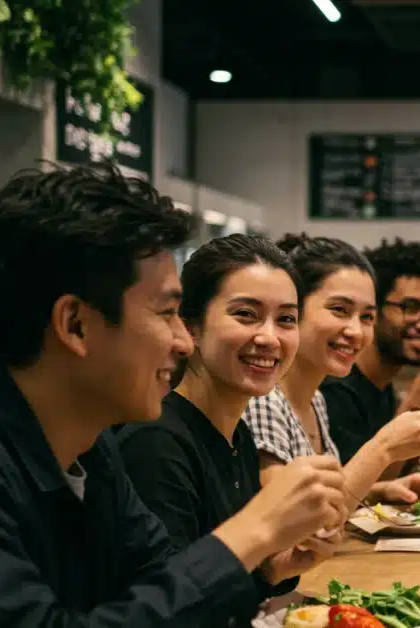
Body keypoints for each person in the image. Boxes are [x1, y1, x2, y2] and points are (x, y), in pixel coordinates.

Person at [0, 163, 347, 628]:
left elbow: (156, 601)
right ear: (76, 324)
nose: (180, 340)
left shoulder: (93, 450)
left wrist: (266, 564)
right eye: (168, 313)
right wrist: (254, 529)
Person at [114, 234, 341, 608]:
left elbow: (216, 590)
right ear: (190, 329)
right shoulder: (156, 443)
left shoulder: (239, 436)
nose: (269, 337)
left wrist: (273, 569)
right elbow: (168, 613)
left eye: (286, 319)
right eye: (246, 315)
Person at [247, 233, 420, 507]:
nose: (356, 331)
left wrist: (378, 490)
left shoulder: (314, 400)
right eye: (339, 309)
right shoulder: (263, 401)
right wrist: (383, 448)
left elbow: (327, 495)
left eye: (366, 317)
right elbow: (293, 527)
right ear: (292, 310)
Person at [321, 238, 420, 470]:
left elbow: (400, 471)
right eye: (410, 308)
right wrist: (417, 401)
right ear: (373, 309)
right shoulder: (334, 389)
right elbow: (360, 492)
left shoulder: (382, 388)